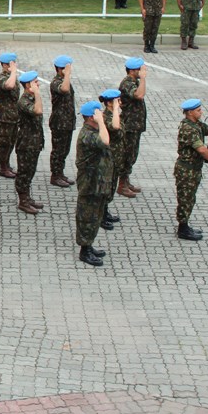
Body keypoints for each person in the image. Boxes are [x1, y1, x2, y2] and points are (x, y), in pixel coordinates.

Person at [174, 99, 208, 241]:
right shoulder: (188, 128)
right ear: (189, 112)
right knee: (185, 198)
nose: (201, 112)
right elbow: (201, 149)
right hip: (186, 170)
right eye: (198, 110)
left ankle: (185, 224)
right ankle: (182, 228)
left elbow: (205, 129)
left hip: (193, 169)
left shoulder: (195, 124)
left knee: (190, 198)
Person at [74, 101, 112, 266]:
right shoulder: (87, 134)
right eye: (98, 113)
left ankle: (89, 245)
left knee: (95, 216)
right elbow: (105, 141)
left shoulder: (95, 130)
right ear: (91, 117)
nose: (102, 114)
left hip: (99, 182)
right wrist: (102, 122)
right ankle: (84, 249)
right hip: (89, 183)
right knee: (87, 216)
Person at [15, 70, 45, 215]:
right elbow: (38, 111)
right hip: (26, 144)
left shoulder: (32, 97)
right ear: (28, 85)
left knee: (30, 171)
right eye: (35, 82)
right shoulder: (24, 101)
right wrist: (38, 94)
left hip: (34, 142)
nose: (38, 84)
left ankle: (27, 197)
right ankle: (23, 201)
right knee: (24, 172)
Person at [118, 57, 146, 197]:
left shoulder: (134, 82)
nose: (142, 71)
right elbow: (139, 95)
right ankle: (121, 185)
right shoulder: (127, 83)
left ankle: (126, 181)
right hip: (129, 126)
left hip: (135, 125)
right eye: (140, 69)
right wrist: (144, 79)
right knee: (127, 156)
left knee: (132, 155)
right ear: (133, 70)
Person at [49, 55, 76, 187]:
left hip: (67, 122)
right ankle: (55, 175)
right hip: (59, 122)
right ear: (61, 69)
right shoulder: (56, 82)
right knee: (58, 150)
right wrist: (67, 75)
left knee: (65, 150)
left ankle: (60, 172)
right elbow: (64, 89)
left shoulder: (65, 80)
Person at [99, 89, 124, 229]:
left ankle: (105, 211)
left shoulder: (114, 114)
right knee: (106, 187)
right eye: (117, 101)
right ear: (110, 103)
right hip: (108, 159)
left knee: (112, 186)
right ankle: (100, 216)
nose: (120, 103)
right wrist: (115, 109)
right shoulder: (106, 117)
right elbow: (115, 127)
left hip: (115, 158)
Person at [0, 52, 19, 178]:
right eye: (12, 63)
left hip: (14, 115)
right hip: (5, 115)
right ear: (6, 65)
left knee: (11, 141)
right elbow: (9, 86)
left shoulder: (12, 76)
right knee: (4, 142)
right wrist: (14, 72)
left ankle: (6, 164)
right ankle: (1, 167)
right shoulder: (2, 77)